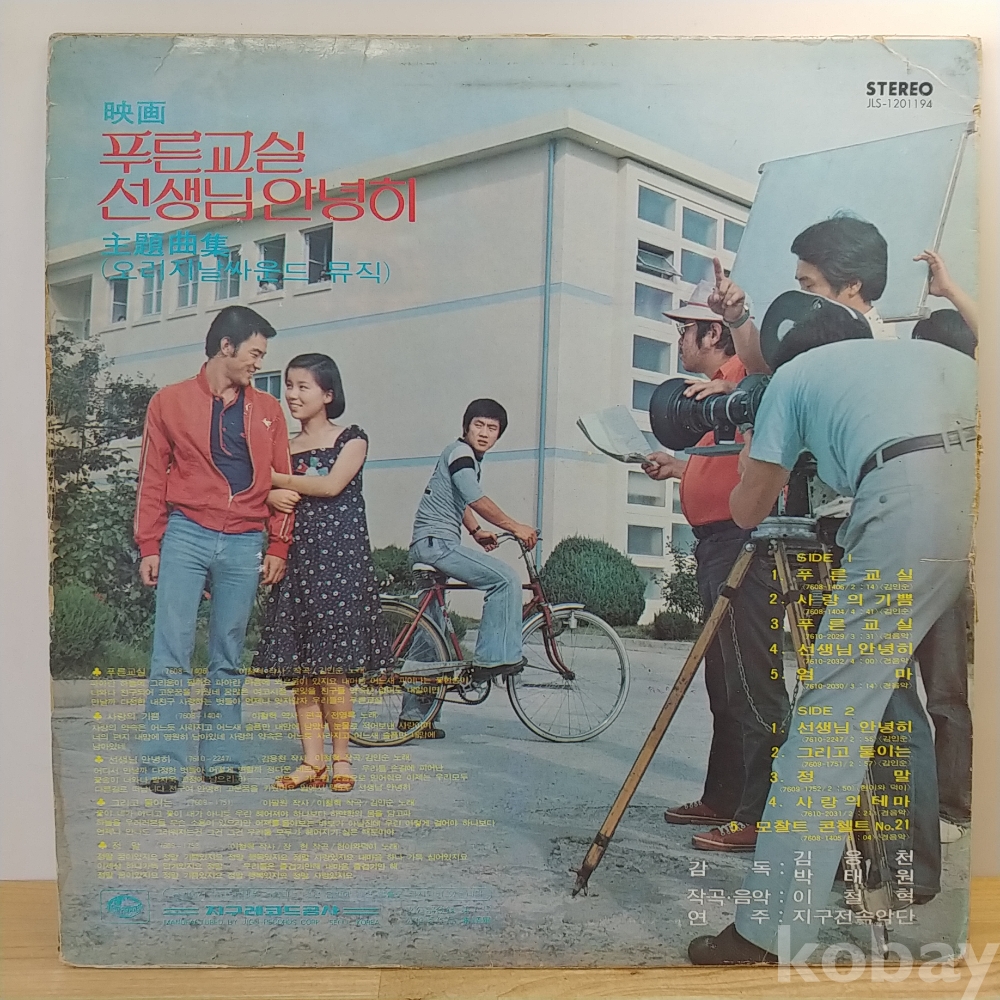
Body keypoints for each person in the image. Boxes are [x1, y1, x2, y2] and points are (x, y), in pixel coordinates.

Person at [687, 299, 976, 964]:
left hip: (913, 499)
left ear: (783, 354)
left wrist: (760, 437)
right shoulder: (915, 356)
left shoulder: (793, 379)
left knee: (826, 726)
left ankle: (769, 934)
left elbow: (747, 509)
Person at [716, 225, 975, 845]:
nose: (799, 298)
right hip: (880, 523)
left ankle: (902, 844)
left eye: (808, 284)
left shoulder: (875, 345)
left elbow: (780, 381)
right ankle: (896, 852)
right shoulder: (842, 343)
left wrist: (756, 453)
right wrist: (739, 318)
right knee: (878, 694)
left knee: (890, 695)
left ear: (851, 286)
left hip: (886, 523)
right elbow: (773, 364)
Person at [643, 280, 788, 853]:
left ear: (712, 333)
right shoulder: (710, 400)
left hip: (743, 541)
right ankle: (724, 797)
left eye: (685, 329)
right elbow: (726, 466)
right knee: (723, 681)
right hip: (714, 543)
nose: (679, 340)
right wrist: (681, 468)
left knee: (752, 680)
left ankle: (759, 813)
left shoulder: (744, 384)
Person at [134, 305, 293, 795]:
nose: (259, 364)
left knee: (228, 652)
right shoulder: (169, 401)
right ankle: (163, 761)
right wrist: (149, 543)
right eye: (254, 353)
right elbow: (151, 478)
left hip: (245, 539)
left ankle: (221, 756)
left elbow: (283, 480)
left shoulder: (267, 410)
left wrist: (279, 542)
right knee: (171, 651)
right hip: (186, 533)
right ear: (226, 346)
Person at [249, 354, 393, 793]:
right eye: (289, 385)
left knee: (333, 668)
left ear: (328, 394)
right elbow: (257, 492)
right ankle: (312, 761)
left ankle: (341, 756)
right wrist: (268, 490)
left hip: (340, 563)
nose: (292, 395)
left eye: (303, 387)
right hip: (297, 561)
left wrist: (274, 480)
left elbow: (331, 485)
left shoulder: (352, 439)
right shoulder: (283, 446)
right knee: (303, 671)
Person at [398, 399, 538, 737]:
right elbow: (474, 496)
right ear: (466, 427)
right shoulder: (461, 454)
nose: (485, 433)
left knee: (431, 635)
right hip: (438, 544)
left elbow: (459, 500)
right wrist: (515, 526)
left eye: (492, 428)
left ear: (498, 435)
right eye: (479, 425)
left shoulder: (463, 457)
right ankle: (491, 660)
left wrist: (475, 531)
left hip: (429, 544)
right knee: (505, 579)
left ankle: (413, 719)